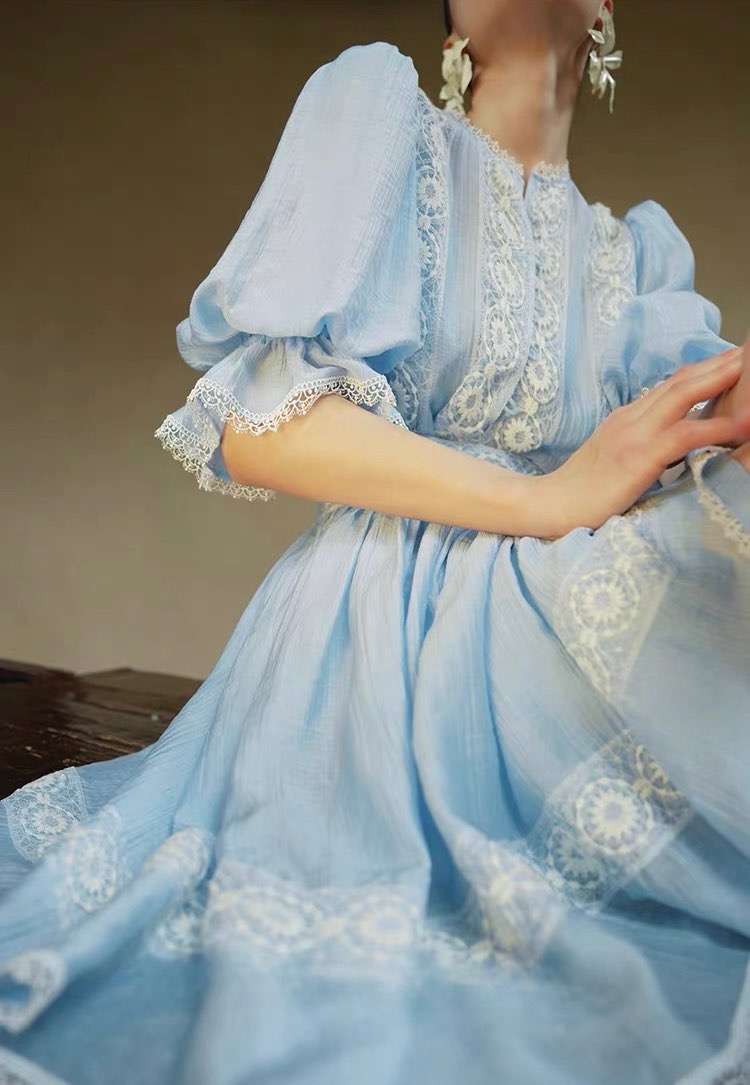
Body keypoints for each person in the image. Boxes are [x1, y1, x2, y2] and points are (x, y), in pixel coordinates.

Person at [1, 3, 749, 1082]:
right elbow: (263, 427)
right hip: (380, 633)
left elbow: (694, 473)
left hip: (554, 653)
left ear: (603, 14)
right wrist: (548, 498)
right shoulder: (384, 123)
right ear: (453, 30)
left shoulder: (635, 261)